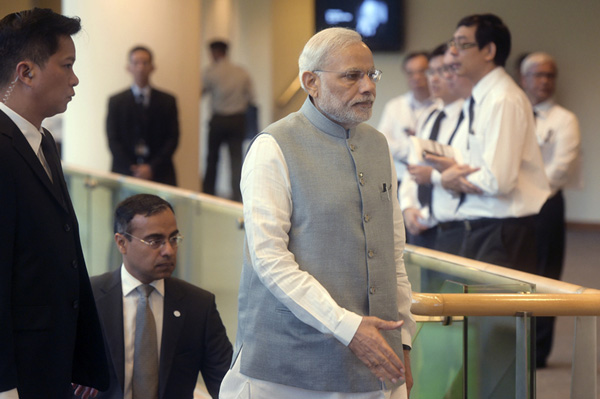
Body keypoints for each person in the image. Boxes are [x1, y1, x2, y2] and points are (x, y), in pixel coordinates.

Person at [220, 27, 416, 399]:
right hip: (287, 368)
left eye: (371, 75)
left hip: (376, 362)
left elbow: (392, 254)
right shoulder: (273, 147)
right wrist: (347, 327)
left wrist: (402, 341)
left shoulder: (378, 145)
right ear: (310, 81)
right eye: (351, 76)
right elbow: (270, 259)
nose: (368, 87)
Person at [0, 8, 109, 398]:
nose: (75, 78)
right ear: (26, 72)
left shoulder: (42, 140)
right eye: (67, 65)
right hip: (20, 375)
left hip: (52, 363)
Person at [426, 14, 550, 273]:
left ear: (489, 50)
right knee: (471, 312)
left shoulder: (502, 99)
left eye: (462, 44)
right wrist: (456, 167)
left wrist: (451, 175)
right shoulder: (481, 96)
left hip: (501, 231)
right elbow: (483, 165)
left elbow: (498, 181)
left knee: (492, 314)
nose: (453, 51)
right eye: (453, 43)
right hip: (481, 226)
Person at [91, 194, 233, 399]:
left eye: (173, 239)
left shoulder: (199, 306)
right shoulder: (90, 298)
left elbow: (226, 386)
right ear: (122, 242)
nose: (168, 250)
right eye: (154, 241)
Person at [520, 52, 582, 368]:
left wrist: (519, 184)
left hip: (546, 205)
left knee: (545, 275)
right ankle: (513, 345)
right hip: (512, 206)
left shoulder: (563, 119)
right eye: (538, 75)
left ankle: (538, 352)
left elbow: (560, 170)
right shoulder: (514, 114)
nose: (544, 81)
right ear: (524, 79)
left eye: (550, 75)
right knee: (516, 273)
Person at [400, 43, 468, 248]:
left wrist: (432, 176)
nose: (434, 78)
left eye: (443, 71)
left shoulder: (469, 116)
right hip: (421, 220)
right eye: (432, 71)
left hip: (454, 224)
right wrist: (408, 207)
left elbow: (465, 170)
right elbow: (413, 167)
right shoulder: (429, 115)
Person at [106, 46, 179, 186]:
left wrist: (151, 167)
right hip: (124, 172)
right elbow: (113, 139)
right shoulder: (116, 101)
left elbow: (172, 138)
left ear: (152, 67)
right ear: (129, 67)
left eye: (145, 63)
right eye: (136, 63)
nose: (140, 67)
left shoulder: (168, 101)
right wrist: (132, 168)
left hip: (160, 174)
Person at [202, 40, 254, 202]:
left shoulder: (211, 72)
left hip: (218, 120)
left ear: (215, 52)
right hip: (237, 120)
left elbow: (200, 92)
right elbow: (251, 97)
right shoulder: (241, 72)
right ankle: (237, 197)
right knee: (236, 159)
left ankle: (207, 194)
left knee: (212, 160)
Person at [378, 51, 433, 187]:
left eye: (422, 71)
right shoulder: (395, 105)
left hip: (432, 178)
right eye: (410, 73)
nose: (416, 77)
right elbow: (383, 142)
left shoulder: (442, 106)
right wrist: (416, 150)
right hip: (401, 178)